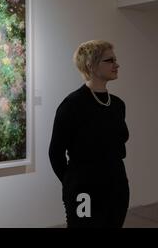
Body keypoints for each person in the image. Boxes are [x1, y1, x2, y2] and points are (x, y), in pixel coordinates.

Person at [49, 40, 130, 228]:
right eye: (109, 60)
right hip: (83, 191)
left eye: (115, 60)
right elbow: (55, 153)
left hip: (117, 187)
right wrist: (74, 183)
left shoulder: (118, 105)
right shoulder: (72, 105)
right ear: (90, 65)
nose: (116, 65)